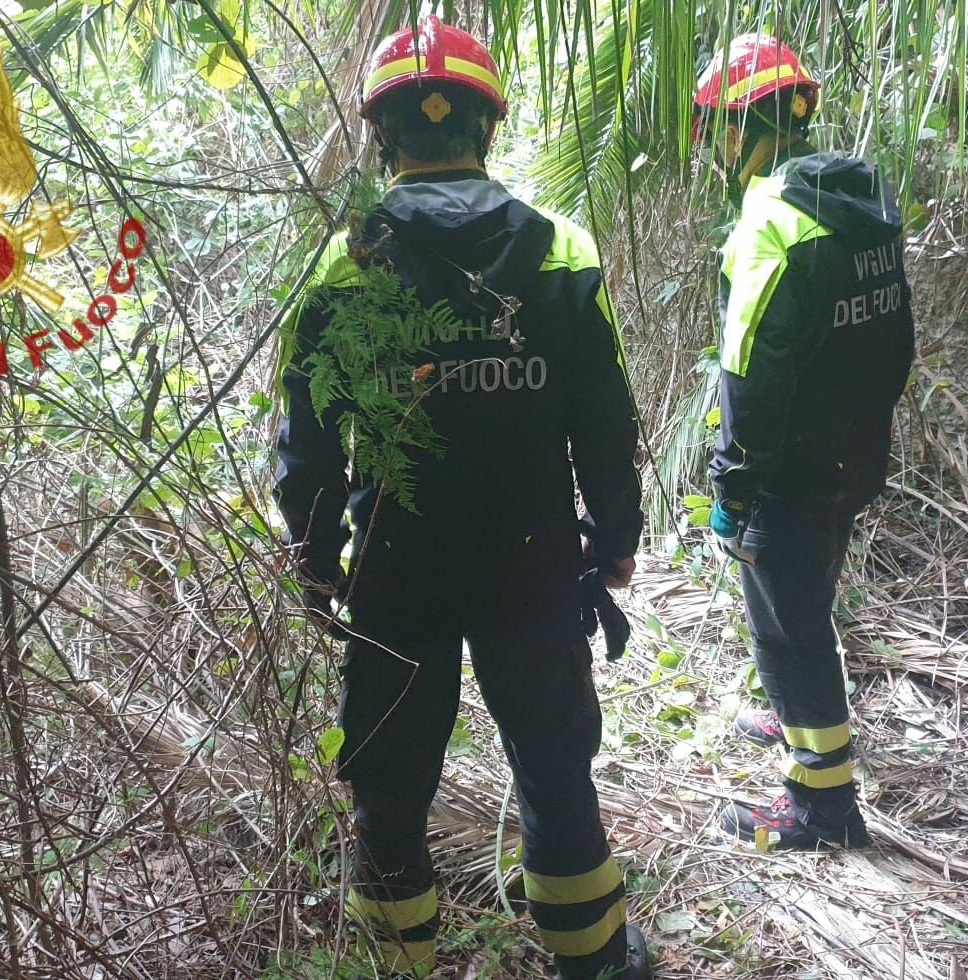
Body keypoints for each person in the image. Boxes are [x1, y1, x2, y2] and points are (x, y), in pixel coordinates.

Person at [273, 16, 651, 979]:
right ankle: (596, 962)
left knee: (391, 788)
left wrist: (315, 561)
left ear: (382, 134)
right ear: (486, 126)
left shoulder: (345, 262)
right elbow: (605, 420)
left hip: (398, 569)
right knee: (555, 769)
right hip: (532, 564)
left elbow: (308, 438)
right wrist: (616, 536)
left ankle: (398, 965)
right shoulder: (561, 250)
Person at [690, 34, 917, 851]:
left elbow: (749, 374)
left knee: (790, 628)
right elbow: (896, 338)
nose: (714, 150)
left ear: (738, 130)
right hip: (856, 450)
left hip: (789, 469)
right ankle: (794, 716)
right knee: (805, 595)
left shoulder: (769, 223)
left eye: (714, 131)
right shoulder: (864, 196)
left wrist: (734, 486)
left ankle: (822, 805)